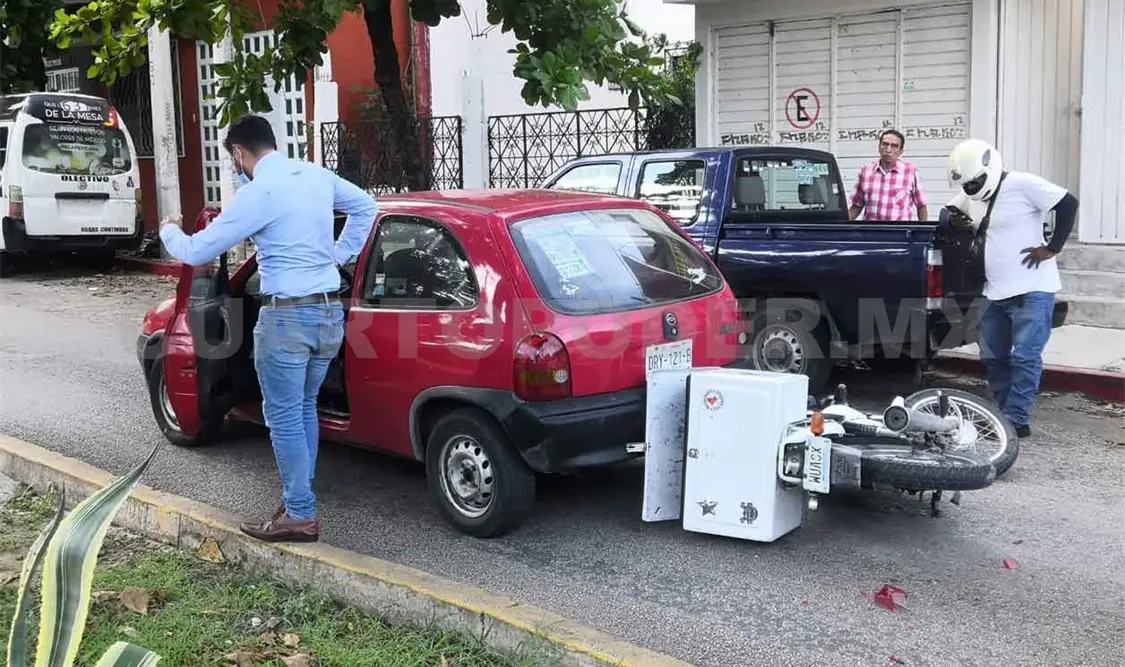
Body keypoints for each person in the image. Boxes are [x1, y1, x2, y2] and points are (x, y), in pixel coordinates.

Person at [158, 114, 378, 542]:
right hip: (329, 313)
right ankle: (299, 498)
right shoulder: (316, 175)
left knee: (284, 416)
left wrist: (169, 230)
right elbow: (366, 207)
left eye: (234, 159)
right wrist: (337, 255)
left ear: (239, 152)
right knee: (304, 407)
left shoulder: (258, 194)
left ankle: (299, 512)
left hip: (287, 318)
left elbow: (197, 249)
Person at [943, 138, 1078, 438]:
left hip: (1031, 289)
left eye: (974, 182)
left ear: (989, 170)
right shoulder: (972, 194)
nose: (970, 189)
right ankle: (1005, 414)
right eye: (967, 184)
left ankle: (1017, 418)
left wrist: (1052, 247)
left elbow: (1068, 203)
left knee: (1025, 357)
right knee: (993, 356)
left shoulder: (1022, 184)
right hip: (993, 291)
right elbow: (951, 211)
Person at [848, 129, 929, 222]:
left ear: (900, 151)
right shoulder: (866, 171)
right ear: (879, 148)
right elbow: (856, 206)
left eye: (894, 146)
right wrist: (840, 227)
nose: (888, 149)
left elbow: (921, 206)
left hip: (900, 233)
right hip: (870, 232)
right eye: (885, 144)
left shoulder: (910, 171)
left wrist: (923, 233)